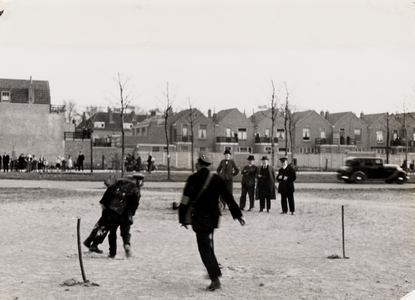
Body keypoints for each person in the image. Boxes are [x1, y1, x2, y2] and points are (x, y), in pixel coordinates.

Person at [179, 152, 246, 291]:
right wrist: (237, 214)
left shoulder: (193, 178)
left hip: (199, 218)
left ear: (198, 164)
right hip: (213, 218)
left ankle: (215, 279)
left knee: (204, 249)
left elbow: (185, 200)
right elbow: (228, 197)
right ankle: (213, 274)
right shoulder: (216, 179)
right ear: (208, 166)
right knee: (208, 246)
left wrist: (182, 218)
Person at [83, 174, 143, 256]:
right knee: (123, 231)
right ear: (139, 181)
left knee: (106, 227)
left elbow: (109, 190)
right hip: (121, 212)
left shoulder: (121, 182)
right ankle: (126, 245)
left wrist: (103, 202)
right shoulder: (136, 190)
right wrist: (131, 214)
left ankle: (110, 251)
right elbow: (134, 204)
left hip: (109, 207)